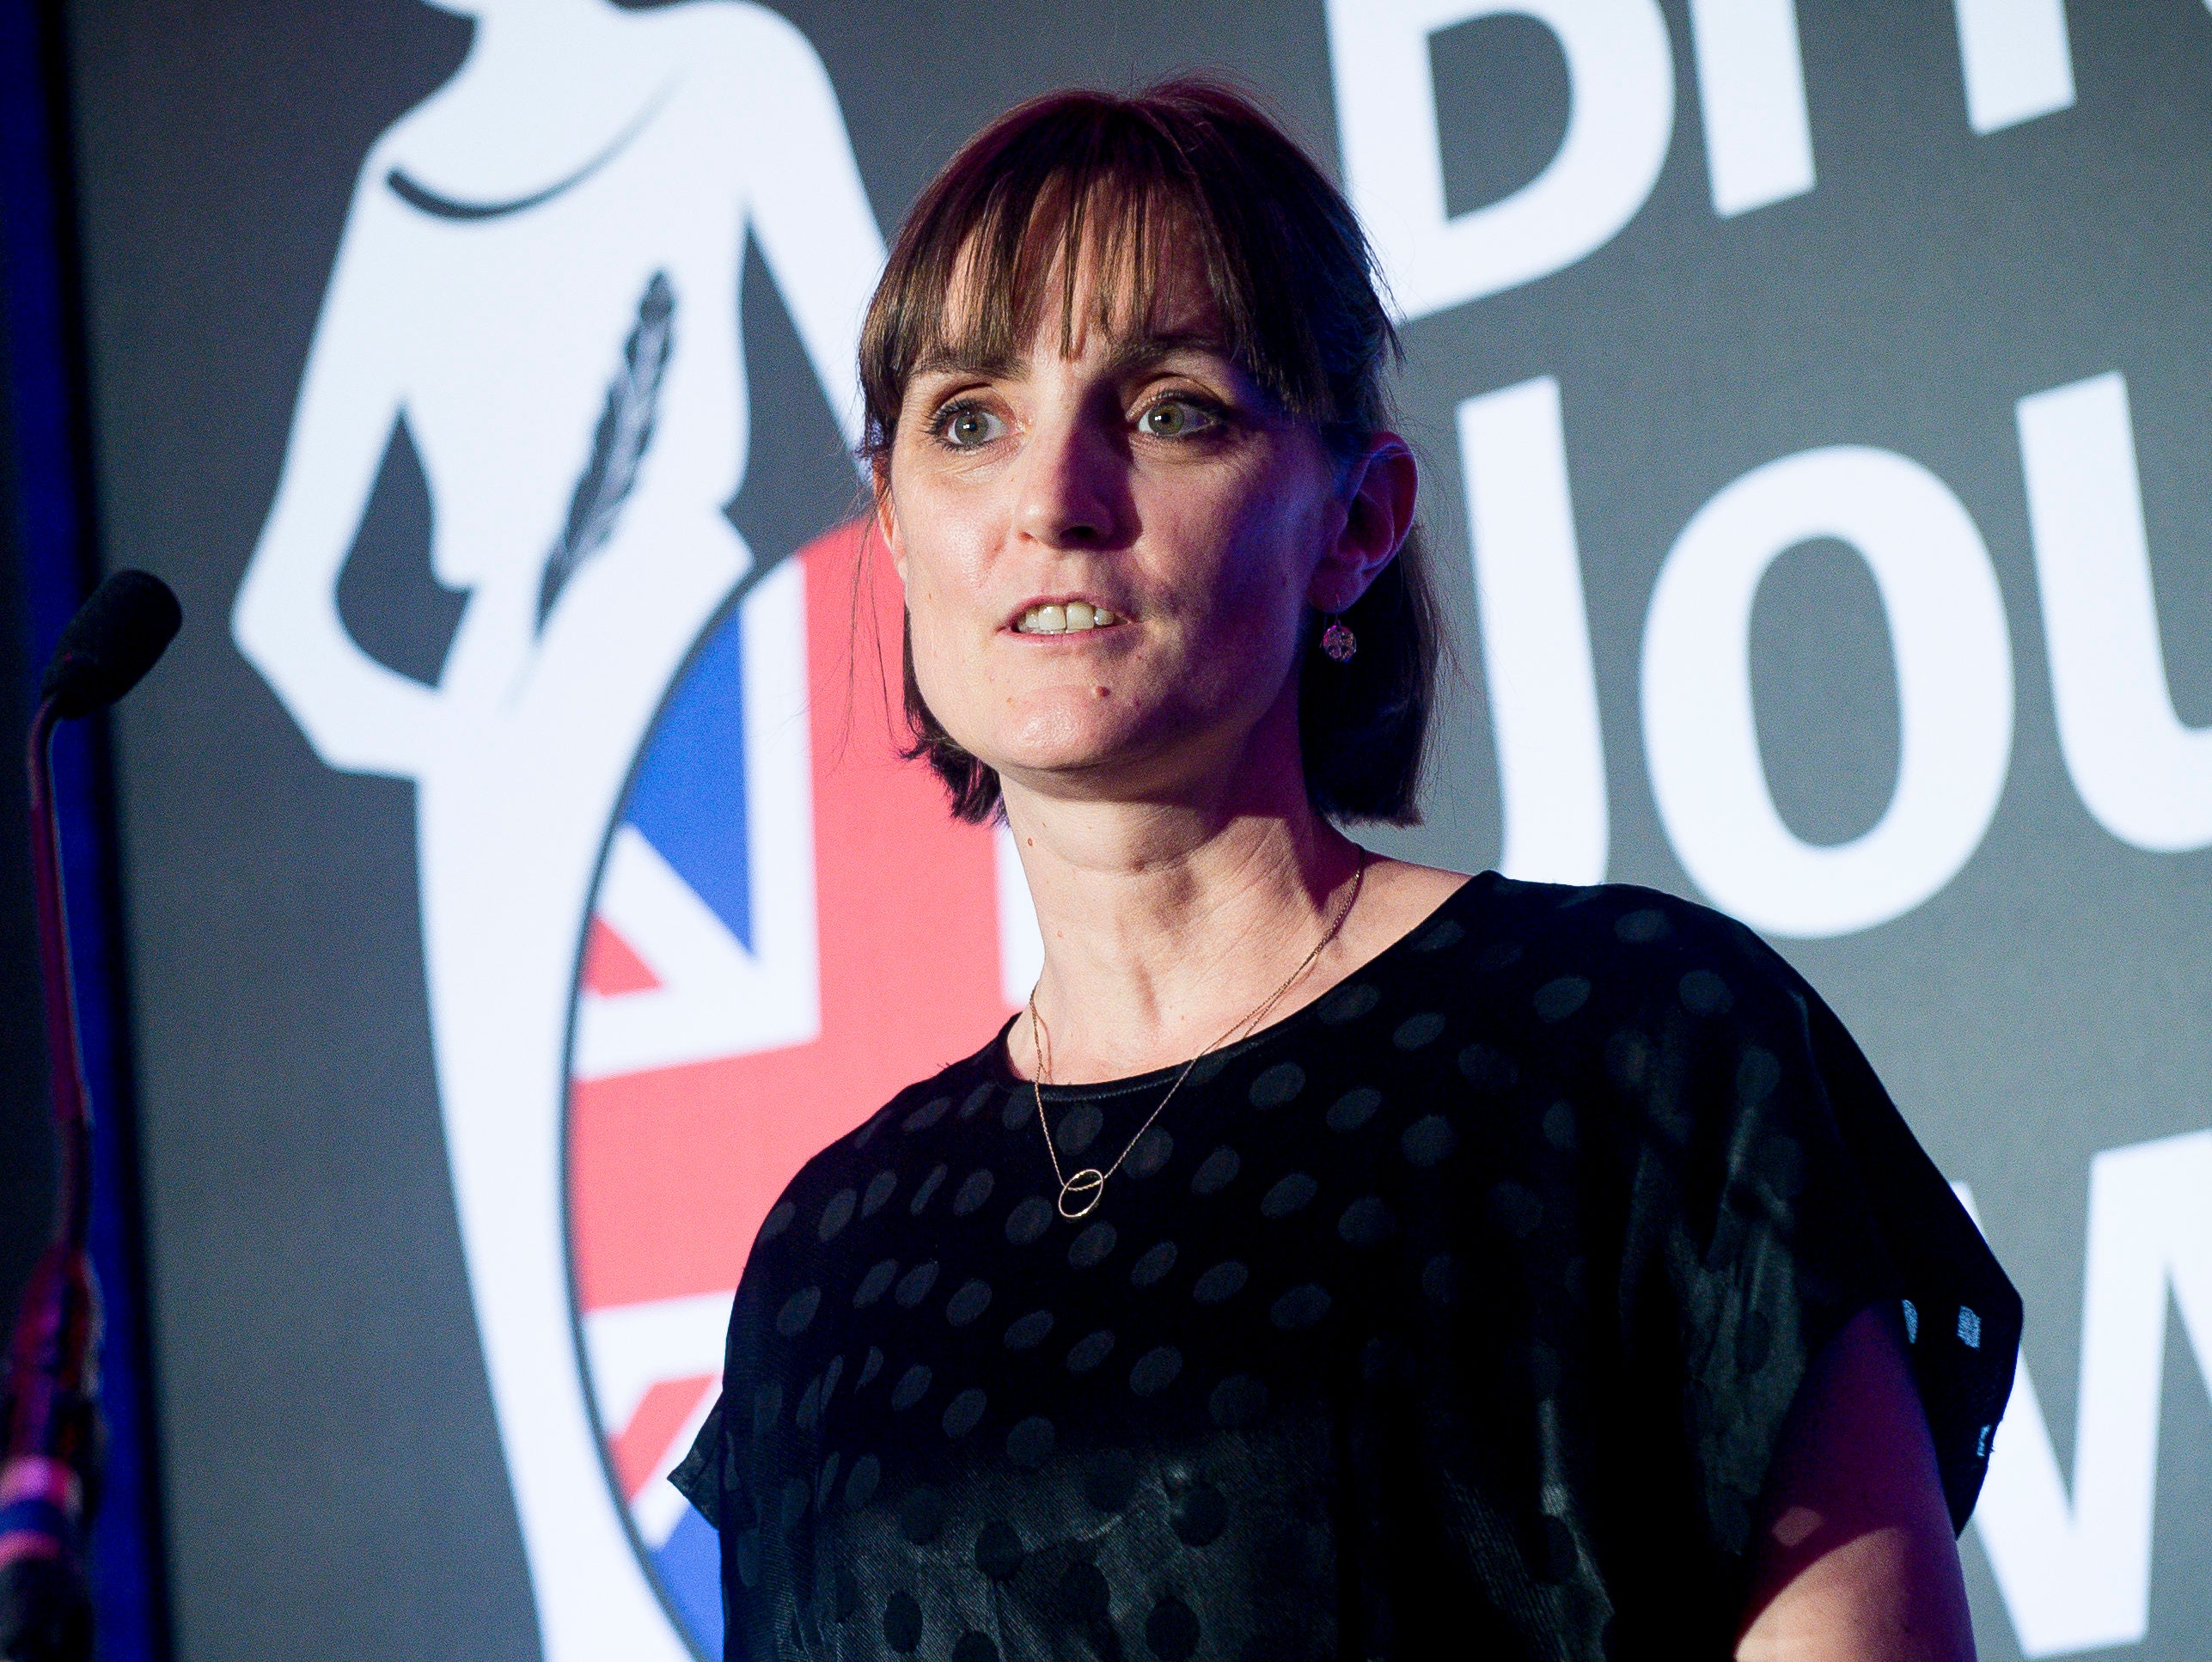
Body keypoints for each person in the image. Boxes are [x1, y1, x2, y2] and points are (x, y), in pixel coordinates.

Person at [673, 79, 2019, 1662]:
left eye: (1169, 409)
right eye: (969, 420)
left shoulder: (1639, 1054)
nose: (1050, 501)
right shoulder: (830, 1261)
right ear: (897, 528)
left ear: (1356, 522)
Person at [229, 2, 883, 1653]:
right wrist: (473, 739)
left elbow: (920, 426)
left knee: (813, 1201)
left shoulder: (727, 68)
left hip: (711, 679)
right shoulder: (407, 181)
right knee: (554, 1295)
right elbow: (281, 612)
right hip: (505, 757)